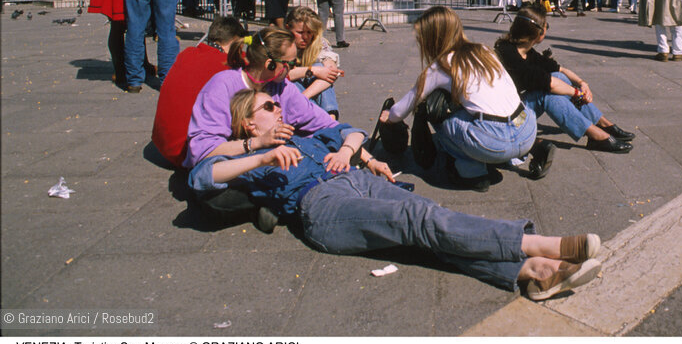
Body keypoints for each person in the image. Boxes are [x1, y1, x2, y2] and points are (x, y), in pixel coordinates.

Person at [190, 89, 603, 300]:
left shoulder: (303, 135)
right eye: (268, 107)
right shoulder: (252, 153)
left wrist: (350, 152)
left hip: (357, 180)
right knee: (417, 222)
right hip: (321, 207)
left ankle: (528, 273)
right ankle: (537, 244)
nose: (278, 110)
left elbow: (347, 130)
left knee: (426, 217)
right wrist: (258, 155)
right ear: (247, 122)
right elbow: (202, 178)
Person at [379, 6, 537, 192]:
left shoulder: (440, 66)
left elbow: (401, 110)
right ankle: (522, 154)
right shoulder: (484, 51)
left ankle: (472, 172)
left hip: (494, 143)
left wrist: (388, 116)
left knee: (438, 115)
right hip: (527, 129)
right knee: (485, 111)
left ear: (432, 39)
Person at [184, 26, 338, 169]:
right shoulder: (223, 85)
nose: (294, 67)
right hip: (230, 167)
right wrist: (257, 143)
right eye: (290, 63)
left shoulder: (282, 87)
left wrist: (350, 147)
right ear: (270, 64)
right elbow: (203, 152)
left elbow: (324, 123)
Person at [495, 4, 634, 158]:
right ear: (538, 33)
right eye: (546, 25)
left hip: (516, 108)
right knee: (548, 94)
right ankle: (596, 135)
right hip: (509, 121)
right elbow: (549, 84)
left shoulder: (525, 51)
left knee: (559, 77)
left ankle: (602, 123)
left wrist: (582, 83)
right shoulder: (509, 56)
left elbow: (560, 70)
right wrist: (578, 94)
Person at [151, 16, 248, 168]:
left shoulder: (187, 54)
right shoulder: (230, 63)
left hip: (163, 145)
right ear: (236, 41)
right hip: (191, 152)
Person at [285, 6, 344, 118]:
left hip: (303, 96)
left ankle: (330, 118)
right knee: (293, 82)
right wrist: (313, 71)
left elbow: (332, 72)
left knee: (322, 69)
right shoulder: (281, 44)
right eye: (300, 32)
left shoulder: (318, 42)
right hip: (289, 92)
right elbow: (280, 75)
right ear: (288, 28)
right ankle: (324, 121)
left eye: (309, 32)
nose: (306, 37)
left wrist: (303, 97)